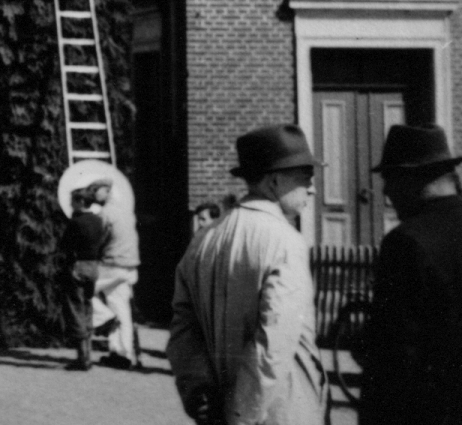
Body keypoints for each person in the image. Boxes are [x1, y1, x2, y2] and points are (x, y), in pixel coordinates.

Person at [167, 124, 326, 425]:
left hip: (217, 409)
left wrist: (198, 391)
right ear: (275, 181)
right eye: (305, 178)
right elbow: (273, 343)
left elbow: (183, 329)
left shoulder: (204, 239)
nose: (313, 188)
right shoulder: (286, 241)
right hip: (279, 411)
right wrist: (241, 415)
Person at [359, 123, 462, 425]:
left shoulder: (405, 243)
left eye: (390, 178)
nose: (386, 192)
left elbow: (392, 357)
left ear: (413, 178)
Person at [89, 177, 141, 369]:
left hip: (112, 265)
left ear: (107, 192)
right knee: (121, 309)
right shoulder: (127, 212)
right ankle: (123, 354)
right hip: (130, 266)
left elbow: (98, 240)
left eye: (98, 191)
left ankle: (103, 317)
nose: (95, 194)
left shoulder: (106, 213)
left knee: (83, 290)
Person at [60, 186, 108, 371]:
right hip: (93, 266)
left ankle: (82, 357)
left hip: (77, 265)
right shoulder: (98, 220)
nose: (71, 204)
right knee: (87, 307)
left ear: (80, 202)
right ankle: (88, 355)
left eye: (73, 200)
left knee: (74, 309)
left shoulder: (76, 222)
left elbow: (65, 245)